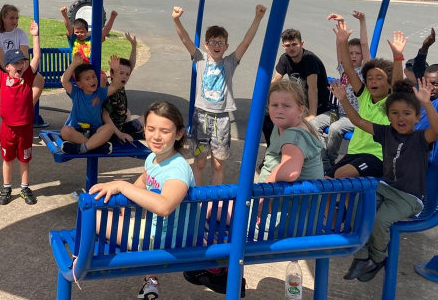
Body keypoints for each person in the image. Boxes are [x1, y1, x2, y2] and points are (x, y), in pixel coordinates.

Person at [184, 79, 322, 297]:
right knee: (222, 206)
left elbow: (290, 171)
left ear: (300, 109)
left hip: (284, 220)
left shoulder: (293, 135)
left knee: (210, 210)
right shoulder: (289, 129)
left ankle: (220, 269)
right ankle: (222, 268)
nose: (279, 110)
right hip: (293, 213)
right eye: (275, 105)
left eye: (286, 106)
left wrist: (262, 198)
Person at [336, 79, 438, 282]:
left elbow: (437, 130)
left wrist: (427, 103)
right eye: (394, 113)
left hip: (408, 197)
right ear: (388, 116)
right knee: (358, 205)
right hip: (385, 187)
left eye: (407, 113)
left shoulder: (421, 138)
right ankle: (361, 256)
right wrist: (343, 99)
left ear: (417, 117)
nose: (400, 118)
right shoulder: (386, 133)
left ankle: (376, 258)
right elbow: (358, 121)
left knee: (379, 220)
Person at [89, 101, 194, 300]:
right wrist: (125, 205)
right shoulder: (154, 159)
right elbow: (145, 180)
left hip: (163, 238)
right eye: (151, 129)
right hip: (164, 231)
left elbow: (164, 207)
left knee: (94, 215)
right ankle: (150, 281)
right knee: (109, 210)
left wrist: (122, 185)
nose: (156, 136)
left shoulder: (177, 169)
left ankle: (80, 263)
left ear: (179, 134)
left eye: (164, 131)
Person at [173, 4, 267, 186]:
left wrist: (257, 18)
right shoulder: (200, 58)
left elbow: (246, 42)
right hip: (201, 116)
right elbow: (185, 40)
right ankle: (199, 197)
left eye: (221, 43)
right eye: (213, 42)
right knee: (199, 162)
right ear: (206, 45)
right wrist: (176, 19)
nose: (217, 46)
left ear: (226, 46)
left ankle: (215, 201)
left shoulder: (230, 62)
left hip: (222, 120)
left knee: (218, 164)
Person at [0, 22, 44, 205]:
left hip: (25, 129)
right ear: (7, 67)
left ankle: (24, 187)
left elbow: (36, 55)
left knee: (24, 160)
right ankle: (6, 187)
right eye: (15, 63)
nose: (20, 65)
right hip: (7, 129)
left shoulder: (28, 77)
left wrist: (35, 36)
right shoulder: (1, 77)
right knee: (8, 159)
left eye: (22, 61)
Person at [330, 20, 404, 178]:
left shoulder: (392, 101)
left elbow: (398, 83)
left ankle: (352, 202)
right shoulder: (364, 95)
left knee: (342, 174)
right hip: (355, 153)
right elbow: (349, 70)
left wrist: (398, 57)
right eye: (369, 78)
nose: (373, 81)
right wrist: (343, 43)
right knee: (327, 180)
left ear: (389, 83)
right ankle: (344, 204)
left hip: (378, 157)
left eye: (379, 78)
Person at [322, 11, 372, 172]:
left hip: (355, 116)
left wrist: (362, 21)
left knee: (336, 128)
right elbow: (340, 45)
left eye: (357, 54)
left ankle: (328, 161)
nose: (353, 56)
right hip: (339, 113)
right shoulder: (344, 68)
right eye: (350, 53)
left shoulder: (366, 71)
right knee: (312, 123)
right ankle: (318, 157)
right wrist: (342, 23)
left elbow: (364, 44)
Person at [266, 28, 329, 145]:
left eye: (294, 44)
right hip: (297, 104)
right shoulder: (285, 58)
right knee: (266, 115)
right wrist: (262, 99)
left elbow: (313, 89)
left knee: (294, 124)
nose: (291, 48)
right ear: (283, 46)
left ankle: (295, 152)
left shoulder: (310, 59)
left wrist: (312, 114)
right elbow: (275, 81)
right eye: (288, 45)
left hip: (317, 106)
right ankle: (273, 149)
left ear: (302, 44)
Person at [60, 54, 122, 155]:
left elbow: (116, 86)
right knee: (65, 131)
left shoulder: (100, 93)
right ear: (79, 84)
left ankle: (82, 148)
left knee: (109, 128)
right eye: (87, 79)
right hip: (77, 130)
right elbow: (64, 81)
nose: (92, 80)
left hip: (95, 131)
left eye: (93, 77)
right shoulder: (76, 93)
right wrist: (74, 64)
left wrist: (116, 71)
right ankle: (95, 146)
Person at [102, 33, 143, 142]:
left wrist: (134, 46)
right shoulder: (112, 92)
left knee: (146, 116)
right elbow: (105, 116)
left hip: (121, 127)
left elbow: (131, 65)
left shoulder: (119, 86)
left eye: (127, 74)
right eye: (120, 73)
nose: (124, 76)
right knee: (150, 118)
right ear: (112, 73)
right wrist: (120, 134)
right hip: (116, 132)